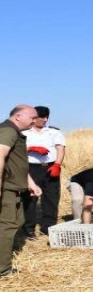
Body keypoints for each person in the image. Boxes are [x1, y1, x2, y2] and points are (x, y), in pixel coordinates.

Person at [0, 105, 42, 277]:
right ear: (18, 116)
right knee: (7, 226)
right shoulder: (8, 131)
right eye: (32, 117)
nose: (35, 121)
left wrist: (30, 183)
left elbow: (17, 163)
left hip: (15, 187)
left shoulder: (13, 132)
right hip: (7, 188)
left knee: (18, 221)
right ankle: (3, 269)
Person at [21, 106, 66, 238]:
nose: (45, 120)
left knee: (51, 197)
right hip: (31, 168)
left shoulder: (54, 132)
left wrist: (57, 164)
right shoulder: (24, 133)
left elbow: (60, 148)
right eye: (42, 117)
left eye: (47, 117)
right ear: (33, 118)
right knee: (30, 198)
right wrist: (31, 149)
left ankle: (48, 227)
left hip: (50, 167)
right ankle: (29, 229)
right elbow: (17, 151)